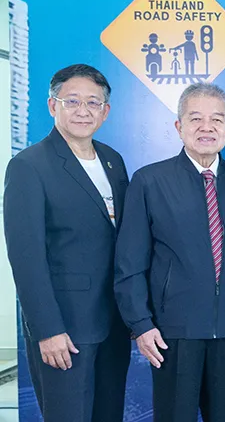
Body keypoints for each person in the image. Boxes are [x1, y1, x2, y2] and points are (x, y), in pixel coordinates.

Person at [114, 83, 225, 421]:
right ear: (179, 126)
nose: (207, 127)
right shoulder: (149, 181)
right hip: (172, 333)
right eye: (195, 119)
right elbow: (129, 263)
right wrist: (141, 324)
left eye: (216, 120)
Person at [4, 64, 131, 422]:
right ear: (52, 105)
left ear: (105, 111)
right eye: (72, 101)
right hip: (65, 328)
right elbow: (26, 258)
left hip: (114, 322)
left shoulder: (113, 160)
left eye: (93, 102)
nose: (83, 111)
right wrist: (47, 330)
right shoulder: (29, 166)